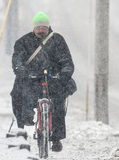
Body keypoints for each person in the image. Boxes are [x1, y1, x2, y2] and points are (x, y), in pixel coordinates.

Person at [10, 11, 75, 152]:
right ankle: (23, 123)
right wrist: (21, 71)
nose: (41, 30)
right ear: (34, 28)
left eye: (43, 28)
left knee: (58, 104)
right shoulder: (23, 42)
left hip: (54, 79)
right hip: (31, 79)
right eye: (38, 27)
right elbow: (17, 60)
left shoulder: (58, 40)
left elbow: (67, 62)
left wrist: (64, 75)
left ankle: (56, 138)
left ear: (48, 27)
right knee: (18, 94)